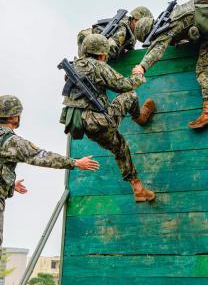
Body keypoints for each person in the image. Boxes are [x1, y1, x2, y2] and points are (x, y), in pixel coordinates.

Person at [0, 95, 99, 285]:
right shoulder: (12, 141)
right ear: (14, 116)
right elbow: (40, 156)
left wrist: (10, 183)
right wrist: (75, 162)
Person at [60, 34, 156, 202]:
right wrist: (139, 75)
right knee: (130, 95)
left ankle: (138, 188)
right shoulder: (98, 66)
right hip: (100, 120)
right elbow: (123, 85)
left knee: (119, 146)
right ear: (102, 55)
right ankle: (139, 117)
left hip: (82, 125)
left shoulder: (73, 67)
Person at [131, 0, 208, 129]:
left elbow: (158, 48)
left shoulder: (167, 25)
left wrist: (142, 67)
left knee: (205, 68)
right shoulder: (169, 21)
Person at [76, 6, 153, 61]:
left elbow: (128, 49)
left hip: (99, 42)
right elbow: (111, 47)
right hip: (86, 38)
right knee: (86, 63)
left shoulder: (133, 32)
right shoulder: (123, 29)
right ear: (135, 20)